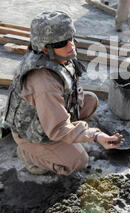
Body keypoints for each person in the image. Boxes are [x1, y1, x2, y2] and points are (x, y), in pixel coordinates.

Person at [3, 10, 123, 176]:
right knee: (78, 159)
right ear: (45, 49)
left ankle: (64, 141)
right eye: (61, 43)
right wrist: (95, 135)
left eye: (70, 39)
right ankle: (29, 154)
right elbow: (58, 128)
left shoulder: (61, 56)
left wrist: (80, 131)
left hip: (46, 116)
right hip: (32, 133)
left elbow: (73, 90)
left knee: (90, 101)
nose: (70, 45)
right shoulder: (44, 82)